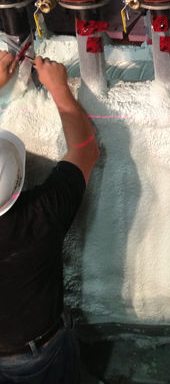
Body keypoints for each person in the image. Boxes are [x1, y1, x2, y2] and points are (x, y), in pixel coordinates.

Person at [0, 50, 99, 383]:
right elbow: (85, 149)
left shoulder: (39, 215)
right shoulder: (41, 216)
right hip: (40, 355)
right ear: (18, 183)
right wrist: (59, 88)